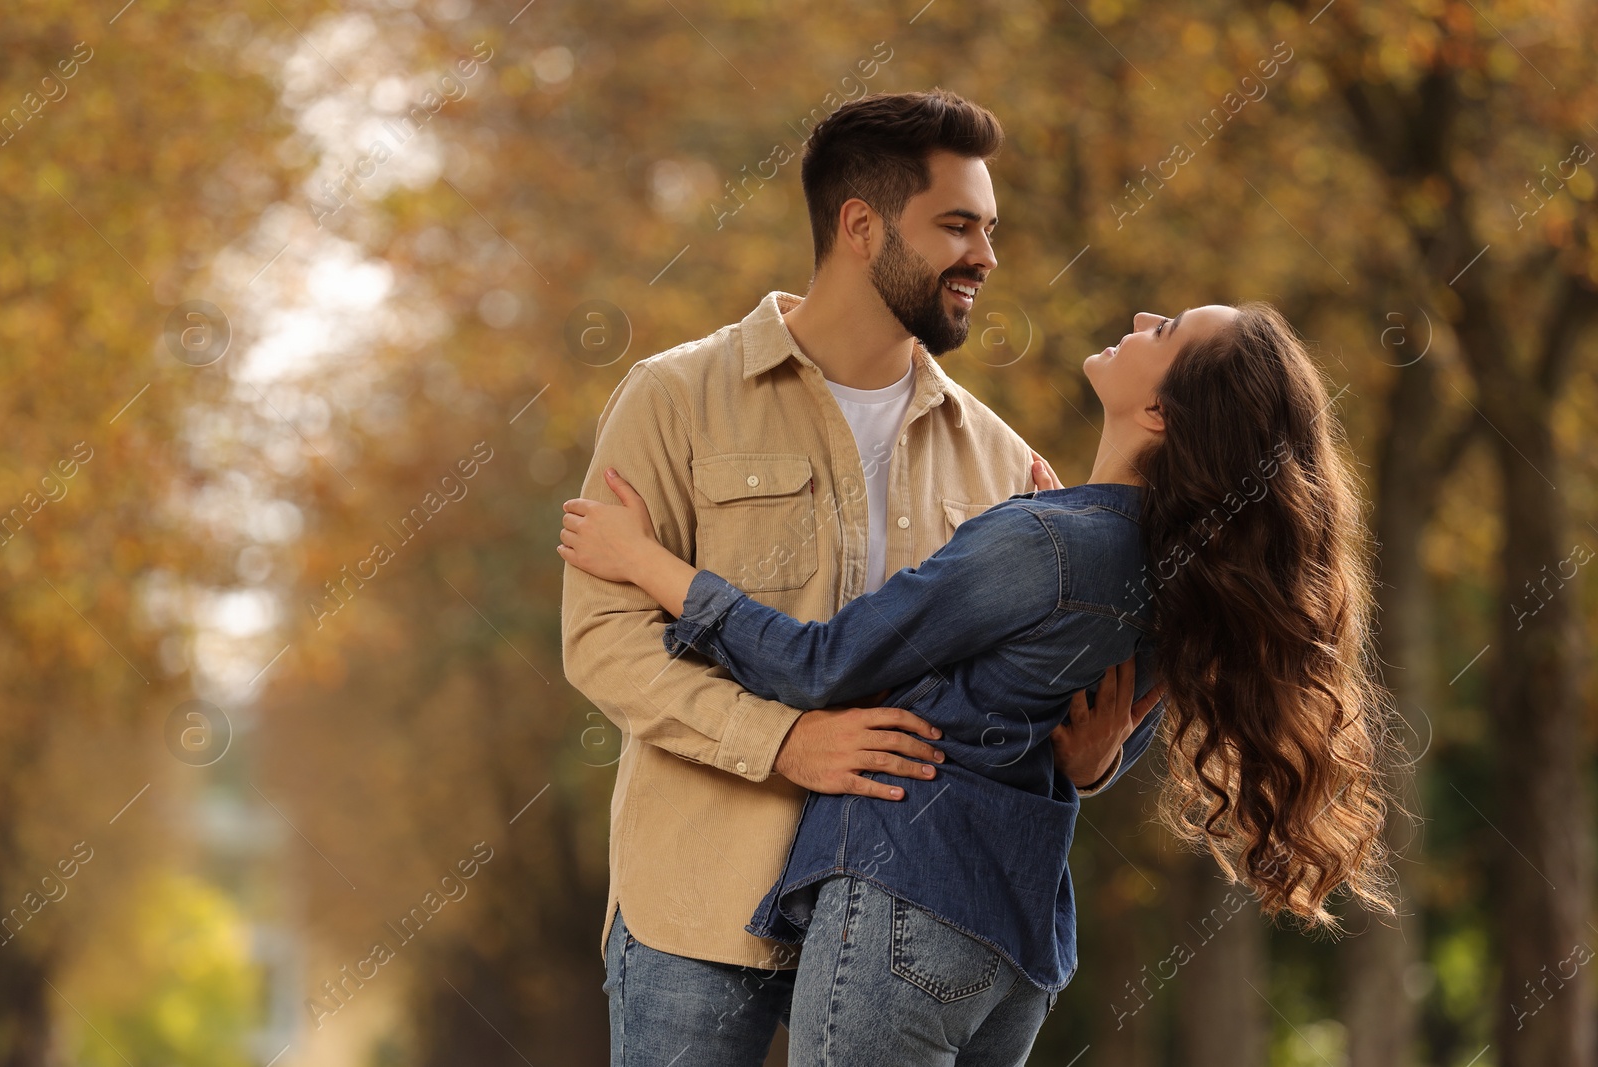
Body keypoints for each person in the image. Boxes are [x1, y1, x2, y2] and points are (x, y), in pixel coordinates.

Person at [559, 301, 1402, 1064]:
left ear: (1159, 412)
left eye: (1167, 329)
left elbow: (821, 664)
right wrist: (1095, 759)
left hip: (908, 900)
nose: (1144, 313)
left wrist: (651, 565)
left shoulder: (1047, 539)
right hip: (1017, 945)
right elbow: (1099, 732)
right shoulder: (1177, 569)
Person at [559, 88, 1158, 1066]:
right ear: (860, 225)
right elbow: (602, 642)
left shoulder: (1006, 461)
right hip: (700, 907)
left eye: (991, 228)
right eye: (957, 225)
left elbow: (1057, 674)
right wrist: (780, 740)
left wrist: (1099, 756)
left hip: (910, 908)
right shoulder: (676, 398)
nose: (986, 256)